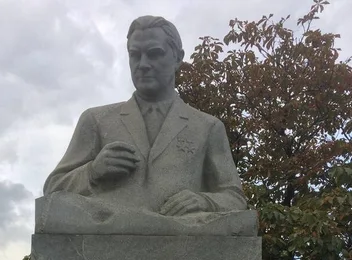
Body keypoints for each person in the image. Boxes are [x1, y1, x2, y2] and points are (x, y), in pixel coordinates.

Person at [44, 15, 247, 216]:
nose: (142, 64)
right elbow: (53, 188)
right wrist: (92, 172)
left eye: (154, 53)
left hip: (180, 242)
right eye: (135, 55)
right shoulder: (96, 120)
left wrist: (204, 201)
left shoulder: (207, 127)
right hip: (110, 241)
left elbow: (234, 198)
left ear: (177, 58)